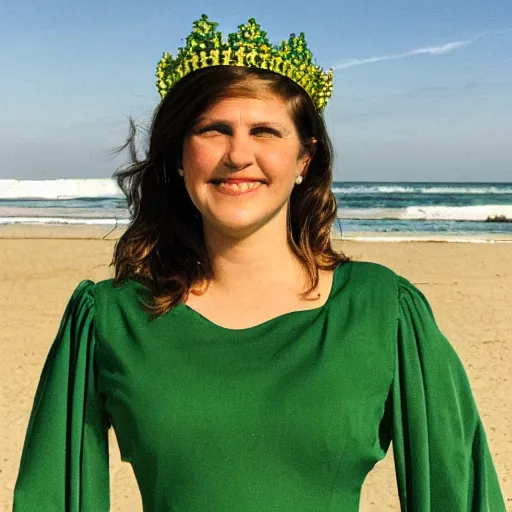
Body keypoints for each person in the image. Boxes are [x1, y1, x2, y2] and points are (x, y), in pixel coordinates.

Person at [13, 15, 505, 512]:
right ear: (181, 155)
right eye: (213, 129)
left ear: (304, 160)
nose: (239, 154)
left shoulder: (382, 312)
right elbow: (53, 498)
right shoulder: (110, 319)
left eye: (265, 131)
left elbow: (458, 495)